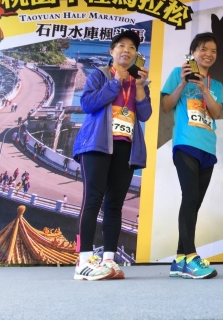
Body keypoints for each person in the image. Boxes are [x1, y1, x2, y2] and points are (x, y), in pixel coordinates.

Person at [72, 29, 152, 281]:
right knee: (93, 200)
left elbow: (145, 114)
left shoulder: (138, 82)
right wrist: (116, 82)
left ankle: (109, 260)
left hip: (125, 148)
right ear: (111, 51)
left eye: (132, 47)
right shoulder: (100, 75)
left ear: (136, 54)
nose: (126, 50)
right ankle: (83, 261)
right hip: (97, 145)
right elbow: (88, 104)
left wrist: (140, 87)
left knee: (115, 204)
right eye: (121, 46)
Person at [161, 32, 223, 279]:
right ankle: (191, 257)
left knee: (194, 203)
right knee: (190, 197)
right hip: (185, 143)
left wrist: (203, 89)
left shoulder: (216, 85)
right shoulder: (178, 74)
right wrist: (182, 84)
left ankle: (179, 261)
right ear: (193, 53)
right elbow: (166, 107)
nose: (208, 54)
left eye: (213, 51)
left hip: (208, 147)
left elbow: (217, 113)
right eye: (203, 49)